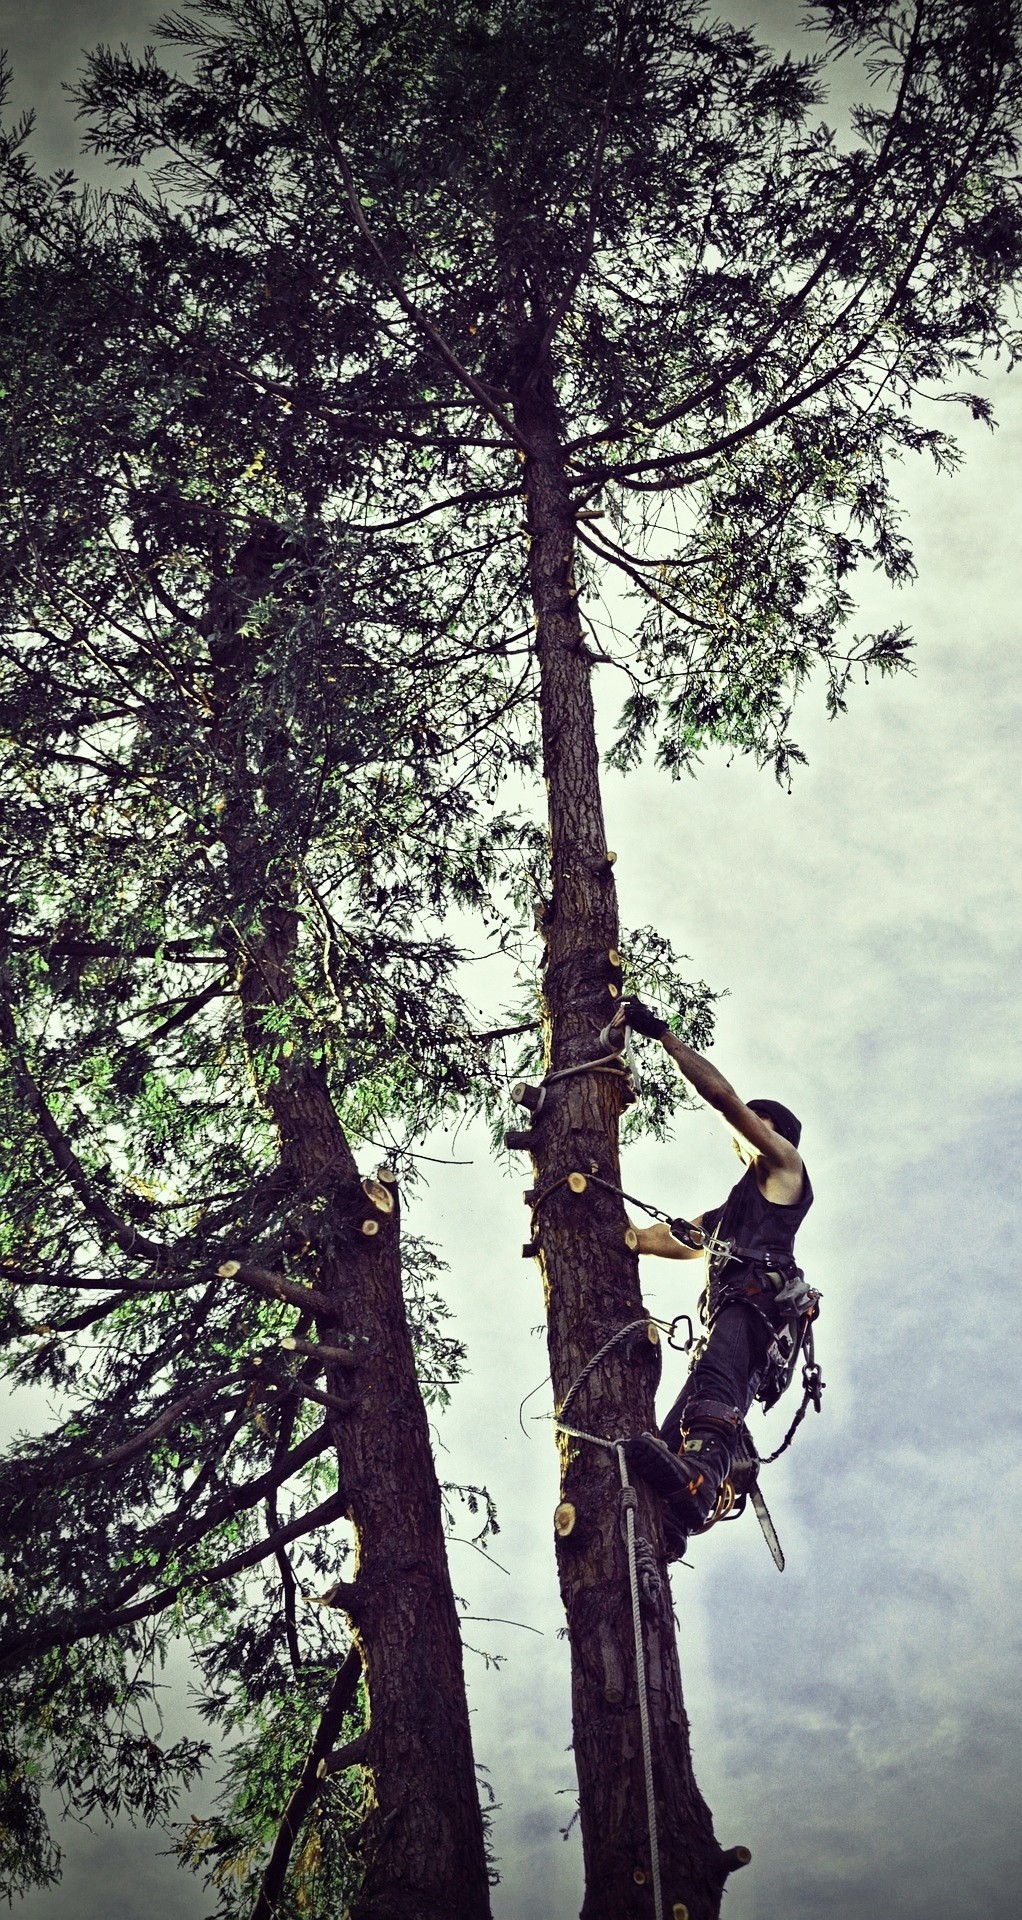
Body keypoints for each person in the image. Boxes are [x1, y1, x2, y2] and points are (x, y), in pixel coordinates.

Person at [619, 996, 814, 1560]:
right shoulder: (734, 1207)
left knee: (715, 1392)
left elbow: (723, 1099)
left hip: (756, 1309)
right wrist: (619, 1232)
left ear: (774, 1133)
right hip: (734, 1313)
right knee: (672, 1430)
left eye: (757, 1124)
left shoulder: (786, 1169)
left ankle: (701, 1481)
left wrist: (664, 1037)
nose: (743, 1133)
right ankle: (670, 1518)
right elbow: (674, 1238)